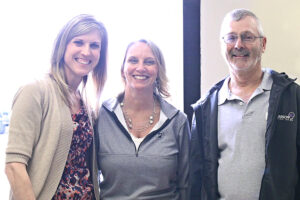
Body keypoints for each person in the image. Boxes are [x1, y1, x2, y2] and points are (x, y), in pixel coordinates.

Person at [189, 8, 300, 200]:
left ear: (263, 44)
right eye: (231, 37)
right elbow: (197, 176)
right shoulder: (206, 108)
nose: (238, 45)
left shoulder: (291, 97)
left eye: (247, 37)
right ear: (222, 45)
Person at [5, 14, 108, 200]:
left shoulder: (86, 105)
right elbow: (14, 166)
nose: (86, 51)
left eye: (94, 45)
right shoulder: (34, 91)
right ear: (63, 46)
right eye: (78, 42)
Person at [95, 39, 190, 199]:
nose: (140, 68)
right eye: (133, 60)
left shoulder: (177, 121)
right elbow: (90, 178)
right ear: (123, 68)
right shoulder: (101, 115)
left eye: (149, 62)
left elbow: (186, 185)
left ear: (159, 70)